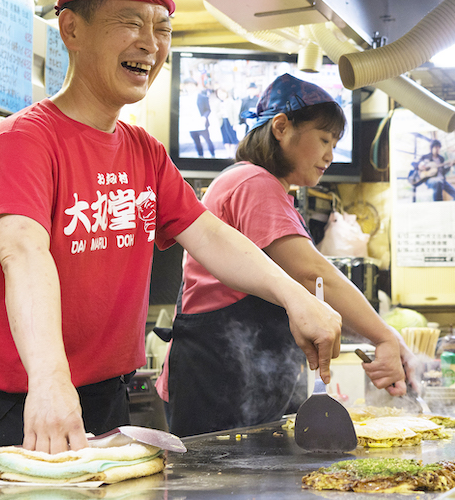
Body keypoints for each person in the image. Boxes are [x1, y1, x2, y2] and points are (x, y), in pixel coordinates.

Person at [0, 0, 342, 472]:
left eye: (162, 29)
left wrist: (296, 299)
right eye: (130, 24)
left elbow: (210, 235)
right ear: (72, 28)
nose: (151, 45)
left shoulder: (144, 151)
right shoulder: (24, 141)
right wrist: (48, 380)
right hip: (25, 406)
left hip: (105, 402)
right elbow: (23, 253)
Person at [156, 73, 413, 436]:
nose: (330, 154)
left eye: (335, 143)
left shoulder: (261, 187)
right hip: (219, 378)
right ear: (281, 127)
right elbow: (311, 274)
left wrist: (383, 336)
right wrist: (385, 337)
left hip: (241, 378)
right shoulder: (253, 183)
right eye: (324, 139)